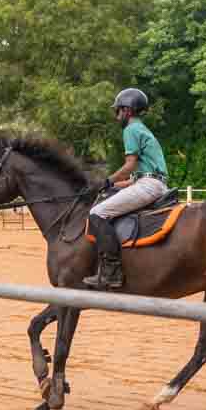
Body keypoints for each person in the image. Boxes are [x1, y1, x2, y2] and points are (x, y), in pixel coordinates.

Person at [82, 87, 169, 290]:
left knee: (97, 213)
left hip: (149, 185)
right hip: (151, 183)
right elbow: (134, 177)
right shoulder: (142, 129)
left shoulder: (130, 130)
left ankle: (111, 272)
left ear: (127, 111)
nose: (116, 115)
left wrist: (108, 181)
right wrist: (102, 186)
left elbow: (130, 166)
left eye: (118, 111)